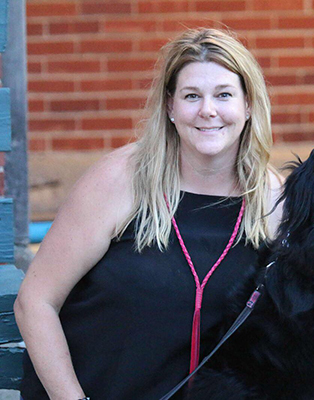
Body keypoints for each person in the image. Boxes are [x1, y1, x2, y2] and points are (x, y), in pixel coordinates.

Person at [14, 28, 283, 399]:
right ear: (170, 107)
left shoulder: (272, 200)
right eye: (191, 96)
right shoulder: (119, 180)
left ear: (248, 105)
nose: (208, 110)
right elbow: (35, 302)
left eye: (224, 95)